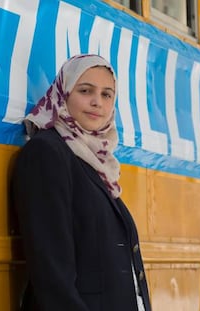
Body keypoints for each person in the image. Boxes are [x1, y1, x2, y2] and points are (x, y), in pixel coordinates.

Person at [11, 54, 151, 311]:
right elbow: (51, 271)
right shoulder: (47, 154)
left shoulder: (97, 163)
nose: (97, 102)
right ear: (64, 93)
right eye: (85, 90)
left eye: (107, 95)